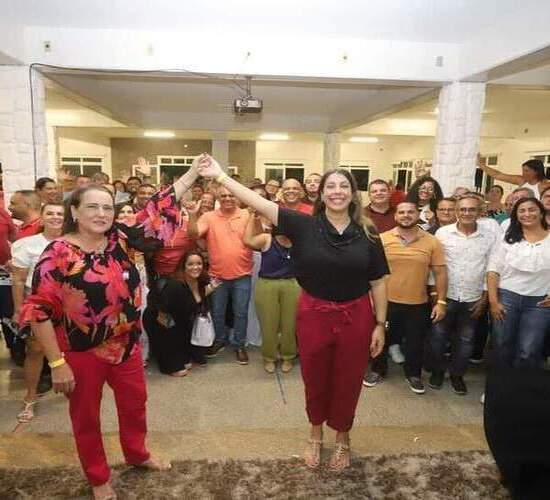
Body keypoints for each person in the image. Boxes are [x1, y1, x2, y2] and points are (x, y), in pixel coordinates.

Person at [195, 154, 388, 471]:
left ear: (353, 194)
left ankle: (342, 438)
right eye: (330, 186)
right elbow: (255, 200)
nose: (337, 191)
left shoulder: (368, 232)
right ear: (321, 193)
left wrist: (381, 324)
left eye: (344, 186)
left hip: (357, 315)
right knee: (314, 377)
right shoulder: (303, 224)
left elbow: (378, 281)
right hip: (314, 312)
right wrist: (220, 176)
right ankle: (315, 434)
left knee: (349, 379)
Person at [19, 185, 170, 500]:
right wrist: (57, 363)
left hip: (126, 345)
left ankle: (137, 453)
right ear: (74, 211)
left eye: (107, 207)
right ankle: (98, 476)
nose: (101, 214)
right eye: (92, 207)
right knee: (86, 417)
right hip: (80, 352)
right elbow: (39, 312)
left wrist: (196, 171)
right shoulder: (57, 253)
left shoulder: (120, 240)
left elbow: (157, 210)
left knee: (134, 404)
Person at [365, 202, 447, 394]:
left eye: (411, 212)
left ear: (418, 214)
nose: (406, 215)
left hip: (417, 303)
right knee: (380, 338)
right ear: (395, 216)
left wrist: (441, 302)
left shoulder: (431, 241)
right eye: (401, 212)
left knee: (415, 342)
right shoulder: (382, 239)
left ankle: (414, 375)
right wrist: (369, 297)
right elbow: (371, 271)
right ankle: (378, 370)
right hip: (385, 301)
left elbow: (441, 273)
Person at [429, 195, 498, 395]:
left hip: (473, 297)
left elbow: (491, 267)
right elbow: (435, 266)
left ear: (479, 212)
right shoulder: (443, 233)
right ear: (457, 211)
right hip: (446, 295)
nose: (467, 213)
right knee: (438, 337)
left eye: (472, 209)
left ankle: (457, 374)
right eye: (463, 209)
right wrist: (435, 294)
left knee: (466, 340)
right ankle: (438, 371)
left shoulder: (489, 236)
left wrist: (484, 299)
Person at [187, 185, 253, 364]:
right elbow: (194, 234)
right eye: (223, 196)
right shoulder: (209, 217)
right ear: (218, 198)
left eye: (231, 195)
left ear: (237, 198)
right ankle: (219, 340)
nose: (227, 198)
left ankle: (239, 344)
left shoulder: (247, 215)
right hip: (217, 276)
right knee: (217, 312)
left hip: (243, 274)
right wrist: (193, 215)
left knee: (240, 312)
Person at [11, 202, 64, 422]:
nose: (55, 217)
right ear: (41, 218)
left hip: (71, 305)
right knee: (36, 350)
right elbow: (19, 279)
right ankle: (30, 398)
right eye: (50, 213)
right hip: (39, 304)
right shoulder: (27, 244)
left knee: (72, 349)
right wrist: (18, 310)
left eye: (60, 213)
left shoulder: (74, 241)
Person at [487, 197, 550, 368]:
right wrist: (493, 302)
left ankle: (520, 392)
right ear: (516, 215)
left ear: (541, 212)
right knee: (502, 346)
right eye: (522, 211)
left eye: (532, 209)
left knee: (529, 350)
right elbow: (493, 270)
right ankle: (498, 392)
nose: (527, 214)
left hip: (539, 303)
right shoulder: (507, 238)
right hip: (507, 298)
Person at [243, 210, 300, 374]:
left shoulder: (300, 241)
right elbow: (247, 240)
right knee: (269, 324)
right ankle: (269, 357)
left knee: (290, 324)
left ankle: (288, 357)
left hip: (293, 284)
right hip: (267, 284)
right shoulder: (267, 239)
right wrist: (252, 219)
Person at [150, 251, 220, 375]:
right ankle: (168, 364)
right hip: (161, 320)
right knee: (179, 369)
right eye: (190, 264)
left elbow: (196, 300)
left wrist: (211, 288)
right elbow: (162, 310)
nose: (195, 267)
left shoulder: (201, 281)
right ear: (183, 266)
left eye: (199, 263)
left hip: (180, 320)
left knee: (186, 360)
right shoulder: (175, 285)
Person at [477, 157, 549, 200]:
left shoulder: (545, 185)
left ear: (536, 171)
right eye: (523, 170)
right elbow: (498, 175)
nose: (523, 173)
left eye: (526, 171)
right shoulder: (521, 180)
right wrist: (481, 165)